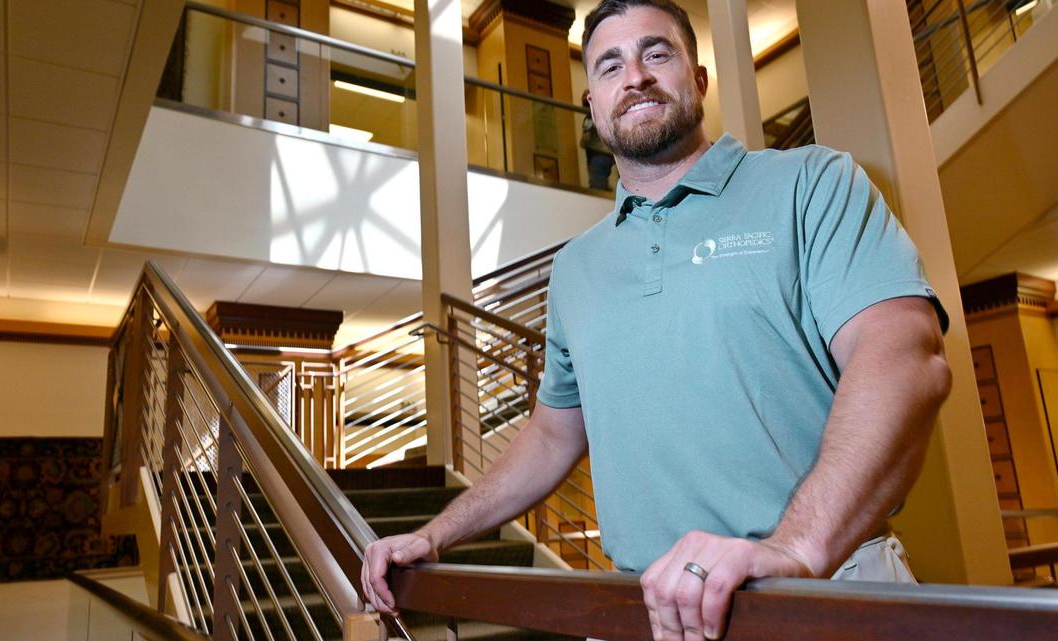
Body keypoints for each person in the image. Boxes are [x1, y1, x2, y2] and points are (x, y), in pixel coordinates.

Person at [362, 1, 953, 640]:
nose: (635, 76)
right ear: (591, 106)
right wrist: (437, 533)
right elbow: (553, 434)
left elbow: (903, 356)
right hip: (645, 612)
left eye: (657, 53)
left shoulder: (812, 184)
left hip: (820, 588)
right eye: (610, 65)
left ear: (698, 81)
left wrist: (798, 547)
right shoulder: (576, 268)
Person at [581, 89, 616, 190]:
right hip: (598, 152)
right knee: (598, 177)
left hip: (600, 152)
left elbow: (586, 137)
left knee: (597, 180)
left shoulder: (596, 116)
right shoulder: (589, 117)